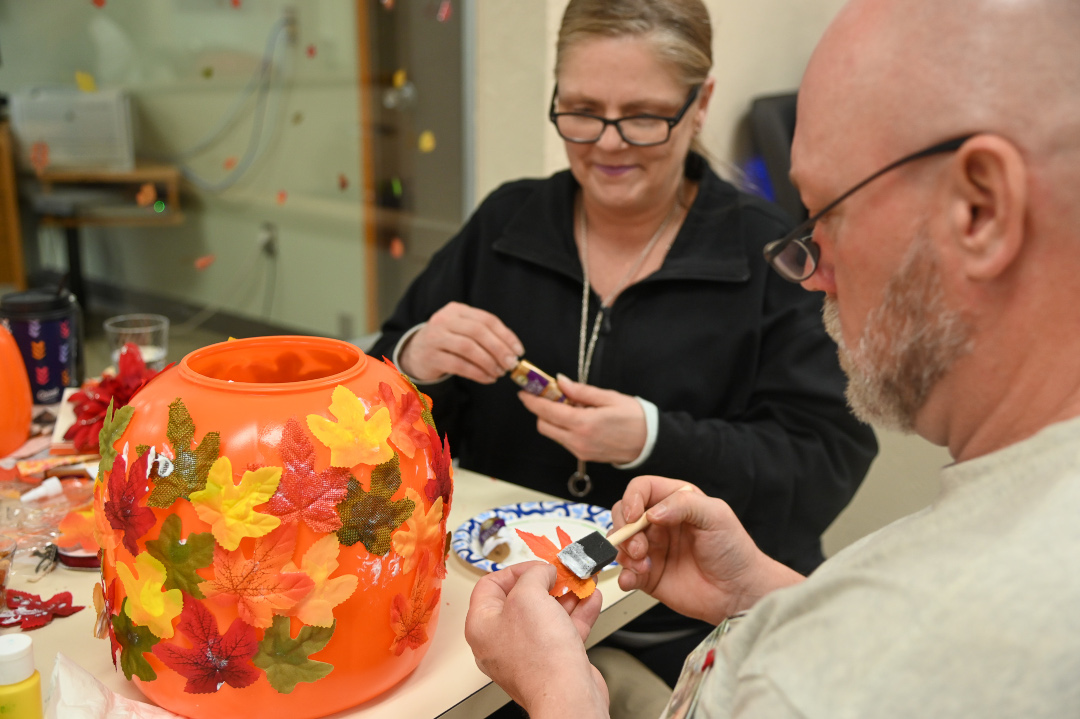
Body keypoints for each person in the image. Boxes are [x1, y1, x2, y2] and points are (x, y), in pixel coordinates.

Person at [464, 0, 1080, 715]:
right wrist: (764, 595)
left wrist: (557, 694)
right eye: (581, 110)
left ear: (980, 209)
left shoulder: (868, 655)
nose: (810, 270)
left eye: (827, 213)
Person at [371, 0, 876, 685]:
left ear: (701, 104)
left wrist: (652, 438)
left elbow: (824, 463)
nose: (607, 143)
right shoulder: (505, 223)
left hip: (691, 634)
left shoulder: (769, 257)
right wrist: (411, 363)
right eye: (580, 110)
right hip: (491, 624)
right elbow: (370, 423)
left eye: (642, 116)